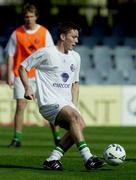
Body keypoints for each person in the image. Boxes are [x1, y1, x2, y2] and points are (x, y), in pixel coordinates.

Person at [19, 22, 105, 170]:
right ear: (63, 36)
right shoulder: (46, 53)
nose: (77, 41)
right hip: (48, 102)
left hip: (65, 102)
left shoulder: (76, 57)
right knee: (74, 119)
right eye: (74, 37)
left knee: (79, 124)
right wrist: (27, 88)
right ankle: (88, 158)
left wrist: (74, 106)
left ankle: (52, 159)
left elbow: (75, 83)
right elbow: (23, 67)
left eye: (77, 37)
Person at [5, 3, 61, 147]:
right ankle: (17, 138)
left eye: (31, 16)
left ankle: (57, 137)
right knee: (20, 105)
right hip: (21, 73)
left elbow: (51, 53)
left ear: (36, 16)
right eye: (26, 16)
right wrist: (10, 73)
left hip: (39, 75)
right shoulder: (17, 33)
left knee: (49, 106)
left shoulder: (44, 32)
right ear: (24, 17)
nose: (29, 19)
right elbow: (11, 55)